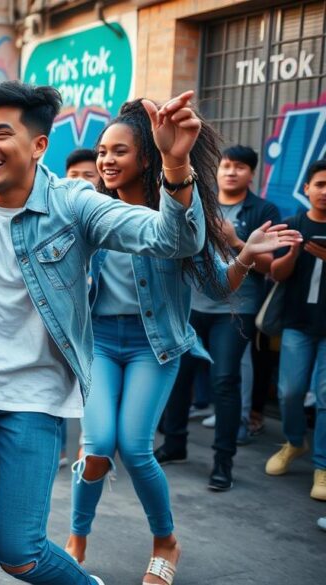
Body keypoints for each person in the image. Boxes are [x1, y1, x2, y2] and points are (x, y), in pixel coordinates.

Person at [0, 80, 211, 585]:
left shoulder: (75, 203)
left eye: (2, 133)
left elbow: (174, 239)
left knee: (22, 556)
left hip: (34, 395)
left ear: (39, 145)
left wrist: (175, 167)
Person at [64, 105, 299, 585]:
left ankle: (165, 541)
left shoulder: (180, 216)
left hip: (156, 345)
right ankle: (77, 535)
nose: (106, 160)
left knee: (134, 446)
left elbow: (216, 286)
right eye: (102, 151)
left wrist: (246, 256)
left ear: (147, 158)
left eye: (119, 151)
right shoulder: (88, 213)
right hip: (101, 343)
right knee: (96, 449)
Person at [157, 145, 283, 485]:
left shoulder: (263, 209)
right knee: (178, 378)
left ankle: (223, 462)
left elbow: (271, 267)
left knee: (225, 381)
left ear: (251, 174)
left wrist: (237, 241)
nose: (231, 172)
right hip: (190, 305)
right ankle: (174, 443)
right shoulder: (199, 200)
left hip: (235, 309)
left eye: (240, 167)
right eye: (226, 165)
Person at [263, 159, 326, 502]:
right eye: (319, 184)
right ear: (307, 189)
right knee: (289, 391)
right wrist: (295, 251)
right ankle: (294, 441)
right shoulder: (293, 225)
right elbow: (277, 273)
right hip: (297, 323)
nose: (325, 192)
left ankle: (323, 465)